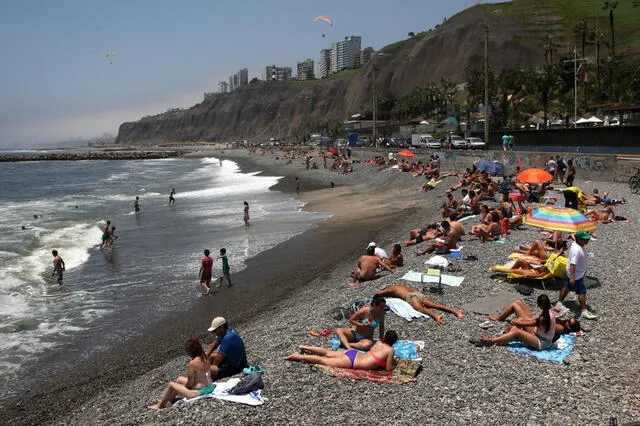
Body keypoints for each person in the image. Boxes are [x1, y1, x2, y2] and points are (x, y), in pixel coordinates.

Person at [470, 295, 573, 349]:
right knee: (515, 327)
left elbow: (527, 324)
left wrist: (515, 321)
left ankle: (491, 341)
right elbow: (531, 321)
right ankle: (502, 339)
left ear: (540, 305)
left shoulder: (545, 317)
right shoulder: (548, 313)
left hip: (542, 342)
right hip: (538, 334)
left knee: (516, 331)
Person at [285, 330, 399, 371]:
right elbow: (389, 368)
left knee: (327, 352)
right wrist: (396, 362)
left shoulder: (378, 343)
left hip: (354, 353)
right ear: (394, 342)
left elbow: (376, 355)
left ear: (384, 338)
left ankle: (304, 347)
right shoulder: (390, 351)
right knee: (322, 360)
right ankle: (298, 356)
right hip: (353, 362)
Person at [147, 338, 213, 409]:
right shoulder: (205, 357)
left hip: (200, 392)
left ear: (190, 351)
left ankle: (159, 405)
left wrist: (183, 388)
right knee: (179, 379)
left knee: (171, 385)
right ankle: (170, 399)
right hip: (210, 386)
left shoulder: (193, 363)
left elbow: (190, 384)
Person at [557, 230, 597, 319]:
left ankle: (559, 302)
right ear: (579, 239)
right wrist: (572, 277)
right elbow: (573, 264)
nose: (587, 241)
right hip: (576, 274)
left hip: (575, 273)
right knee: (582, 291)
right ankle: (584, 311)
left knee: (567, 286)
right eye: (585, 239)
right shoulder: (577, 249)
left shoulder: (576, 244)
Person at [375, 284, 464, 324]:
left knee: (421, 309)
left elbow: (378, 294)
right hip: (417, 294)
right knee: (435, 305)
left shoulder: (390, 289)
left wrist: (382, 292)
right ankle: (456, 311)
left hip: (410, 297)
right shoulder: (400, 286)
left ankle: (436, 316)